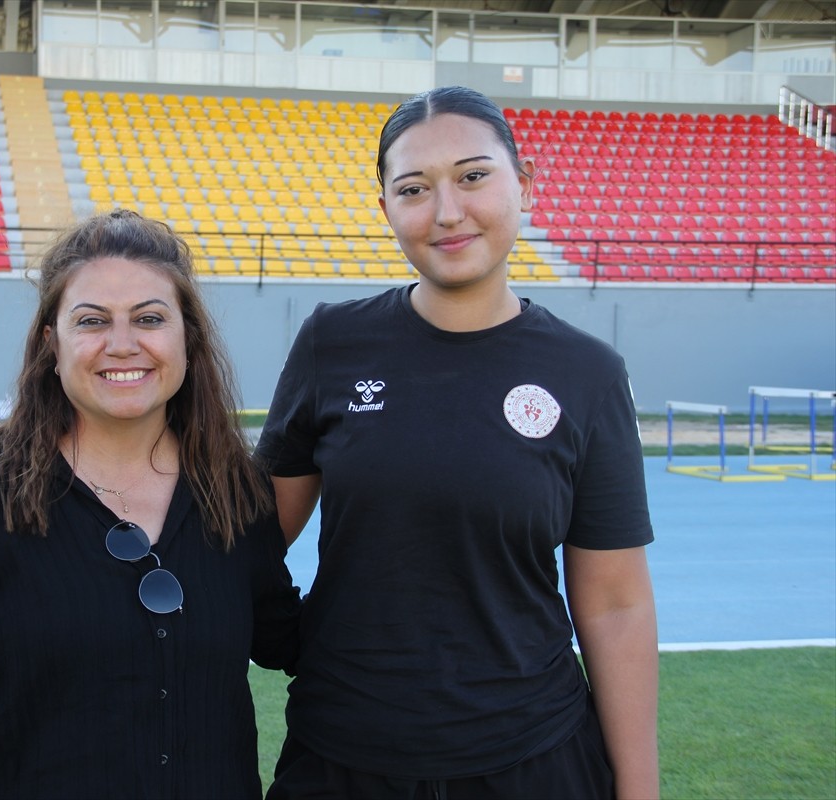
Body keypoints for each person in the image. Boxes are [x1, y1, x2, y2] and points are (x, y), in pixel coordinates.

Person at [256, 86, 659, 800]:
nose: (446, 212)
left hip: (533, 755)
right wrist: (285, 634)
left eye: (473, 176)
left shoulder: (589, 373)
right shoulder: (331, 343)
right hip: (343, 756)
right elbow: (251, 539)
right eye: (413, 188)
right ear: (385, 209)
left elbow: (616, 602)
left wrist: (639, 787)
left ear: (524, 184)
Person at [0, 209, 302, 799]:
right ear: (52, 343)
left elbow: (288, 637)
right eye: (92, 320)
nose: (122, 345)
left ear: (188, 337)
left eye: (149, 318)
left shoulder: (231, 494)